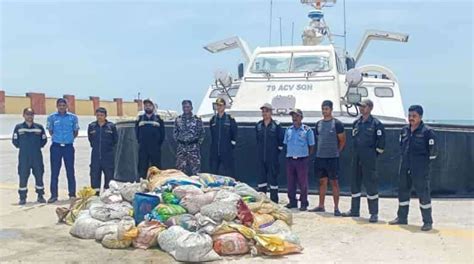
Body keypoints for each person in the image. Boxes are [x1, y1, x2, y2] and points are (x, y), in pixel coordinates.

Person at [389, 105, 437, 231]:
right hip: (405, 166)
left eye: (414, 116)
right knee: (403, 192)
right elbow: (401, 146)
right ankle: (402, 218)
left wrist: (424, 166)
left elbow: (433, 152)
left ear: (420, 117)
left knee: (423, 194)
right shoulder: (404, 130)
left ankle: (427, 222)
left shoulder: (427, 132)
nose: (411, 118)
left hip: (420, 168)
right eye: (409, 115)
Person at [342, 99, 385, 223]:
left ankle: (373, 213)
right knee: (355, 183)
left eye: (364, 106)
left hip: (369, 159)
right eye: (360, 106)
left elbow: (381, 143)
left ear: (370, 108)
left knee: (371, 185)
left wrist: (372, 155)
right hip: (356, 157)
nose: (361, 108)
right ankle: (354, 210)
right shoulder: (356, 123)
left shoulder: (376, 124)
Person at [310, 100, 346, 216]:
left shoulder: (337, 124)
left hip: (332, 158)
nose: (324, 111)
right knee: (322, 182)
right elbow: (318, 139)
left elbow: (342, 140)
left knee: (334, 182)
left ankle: (336, 208)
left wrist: (336, 152)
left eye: (326, 109)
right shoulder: (318, 124)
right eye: (323, 109)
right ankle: (321, 206)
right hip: (320, 157)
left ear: (331, 109)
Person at [46, 98, 80, 203]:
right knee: (55, 172)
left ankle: (72, 194)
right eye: (59, 105)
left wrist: (68, 140)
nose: (61, 107)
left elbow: (75, 131)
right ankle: (54, 195)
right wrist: (59, 139)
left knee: (70, 171)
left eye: (63, 105)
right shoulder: (52, 117)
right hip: (56, 147)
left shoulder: (73, 118)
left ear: (67, 106)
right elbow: (50, 131)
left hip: (68, 147)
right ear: (57, 106)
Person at [12, 107, 47, 205]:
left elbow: (44, 140)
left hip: (37, 156)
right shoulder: (18, 127)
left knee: (39, 175)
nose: (29, 116)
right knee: (23, 176)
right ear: (23, 115)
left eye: (31, 114)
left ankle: (40, 196)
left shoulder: (39, 127)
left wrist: (35, 147)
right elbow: (15, 141)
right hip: (24, 157)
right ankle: (22, 197)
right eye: (27, 114)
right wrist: (24, 148)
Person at [283, 109, 315, 211]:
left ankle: (304, 202)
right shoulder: (288, 130)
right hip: (290, 159)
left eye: (296, 116)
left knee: (303, 183)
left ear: (301, 117)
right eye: (293, 116)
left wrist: (305, 156)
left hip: (302, 160)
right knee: (290, 182)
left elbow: (311, 145)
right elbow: (285, 144)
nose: (294, 118)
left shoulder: (307, 130)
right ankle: (292, 202)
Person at [255, 103, 284, 203]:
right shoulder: (258, 125)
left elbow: (281, 142)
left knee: (273, 182)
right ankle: (262, 201)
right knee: (261, 182)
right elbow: (257, 140)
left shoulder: (276, 125)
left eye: (266, 111)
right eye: (263, 111)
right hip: (260, 158)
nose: (264, 113)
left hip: (272, 158)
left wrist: (275, 154)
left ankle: (274, 202)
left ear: (271, 112)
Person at [87, 107, 118, 195]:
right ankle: (95, 195)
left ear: (105, 116)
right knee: (94, 176)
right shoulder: (92, 126)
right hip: (95, 156)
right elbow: (91, 140)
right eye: (98, 115)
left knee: (109, 176)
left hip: (108, 156)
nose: (99, 117)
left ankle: (107, 194)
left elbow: (115, 140)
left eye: (101, 115)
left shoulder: (111, 126)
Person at [135, 98, 165, 180]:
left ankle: (156, 183)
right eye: (146, 105)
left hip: (155, 147)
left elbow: (162, 134)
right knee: (142, 166)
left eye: (149, 105)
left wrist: (157, 144)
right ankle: (142, 183)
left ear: (153, 107)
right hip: (143, 147)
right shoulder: (140, 119)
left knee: (156, 167)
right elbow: (137, 133)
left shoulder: (159, 119)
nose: (148, 107)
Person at [173, 100, 205, 175]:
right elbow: (175, 132)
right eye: (184, 107)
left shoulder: (197, 120)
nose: (185, 109)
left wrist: (197, 143)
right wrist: (180, 142)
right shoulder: (178, 119)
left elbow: (202, 133)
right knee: (180, 172)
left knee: (196, 172)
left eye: (187, 107)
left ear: (191, 107)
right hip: (182, 148)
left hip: (193, 148)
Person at [209, 98, 238, 177]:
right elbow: (211, 134)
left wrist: (230, 147)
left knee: (229, 173)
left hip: (226, 151)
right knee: (213, 174)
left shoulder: (230, 119)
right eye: (217, 105)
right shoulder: (213, 120)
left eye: (220, 105)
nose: (218, 107)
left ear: (224, 106)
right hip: (215, 151)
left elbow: (234, 135)